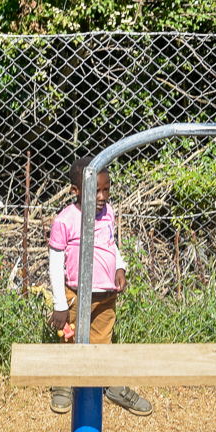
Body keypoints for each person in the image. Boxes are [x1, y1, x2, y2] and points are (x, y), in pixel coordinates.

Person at [47, 159, 152, 417]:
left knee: (102, 342)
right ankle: (63, 383)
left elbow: (110, 244)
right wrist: (60, 304)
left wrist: (120, 266)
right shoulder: (65, 220)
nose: (102, 197)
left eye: (106, 190)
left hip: (106, 297)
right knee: (69, 340)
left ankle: (109, 383)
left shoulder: (108, 213)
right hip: (75, 295)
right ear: (76, 190)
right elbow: (55, 263)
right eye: (95, 191)